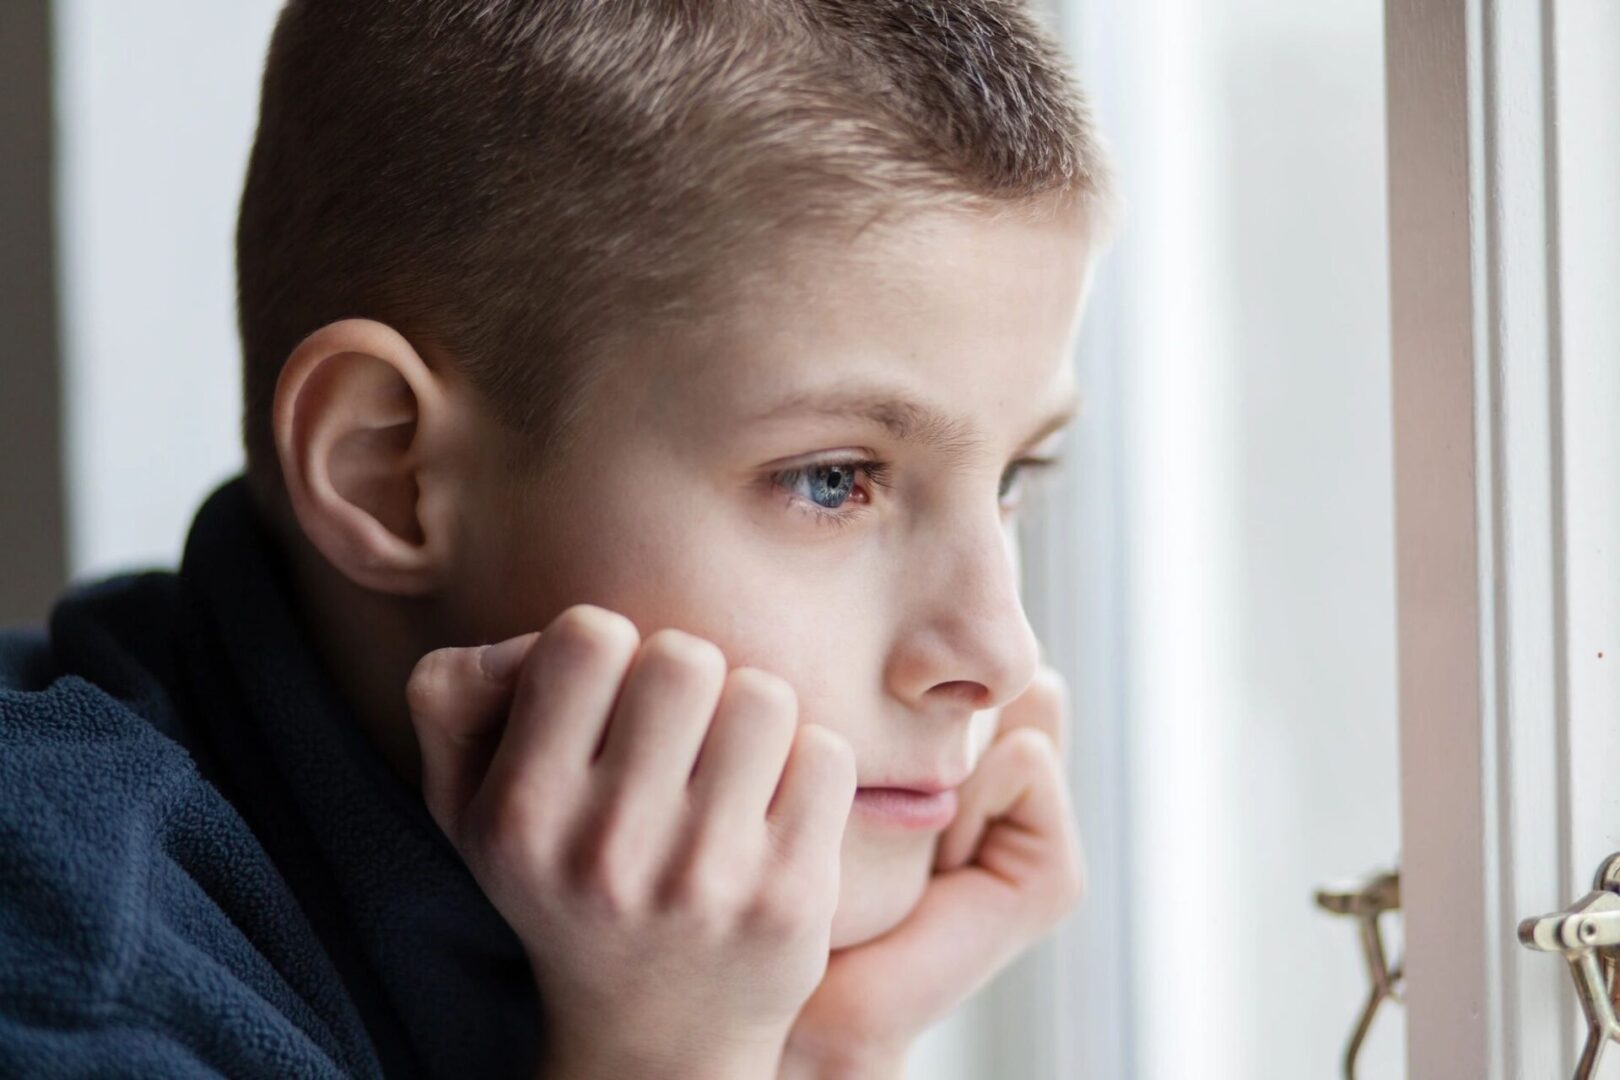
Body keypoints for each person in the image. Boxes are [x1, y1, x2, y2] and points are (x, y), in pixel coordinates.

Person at [0, 1, 1115, 1076]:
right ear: (390, 477)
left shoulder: (645, 948)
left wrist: (824, 1048)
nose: (997, 651)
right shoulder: (72, 975)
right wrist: (671, 1058)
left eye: (1016, 473)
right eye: (832, 481)